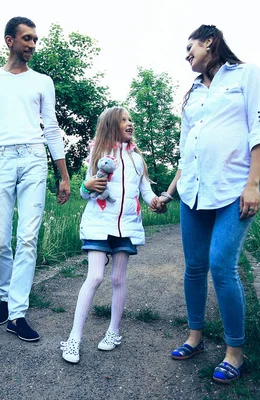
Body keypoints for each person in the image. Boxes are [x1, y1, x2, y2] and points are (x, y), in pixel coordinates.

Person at [153, 24, 260, 383]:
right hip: (193, 191)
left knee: (221, 265)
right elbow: (186, 152)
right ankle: (195, 336)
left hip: (234, 188)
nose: (186, 55)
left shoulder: (246, 75)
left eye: (190, 47)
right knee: (193, 267)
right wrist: (170, 192)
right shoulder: (191, 94)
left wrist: (253, 184)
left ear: (209, 42)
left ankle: (235, 352)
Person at [0, 16, 71, 342]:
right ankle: (4, 297)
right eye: (26, 38)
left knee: (27, 238)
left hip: (32, 159)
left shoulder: (42, 81)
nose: (32, 45)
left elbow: (52, 128)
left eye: (35, 40)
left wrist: (64, 176)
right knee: (0, 239)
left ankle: (17, 314)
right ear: (9, 40)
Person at [60, 106, 162, 363]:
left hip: (126, 227)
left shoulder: (137, 159)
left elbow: (146, 191)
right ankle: (74, 338)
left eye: (131, 120)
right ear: (110, 125)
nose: (130, 124)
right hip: (99, 223)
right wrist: (87, 185)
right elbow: (86, 190)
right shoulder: (99, 154)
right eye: (123, 120)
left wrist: (155, 202)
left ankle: (113, 332)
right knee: (94, 277)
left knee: (118, 278)